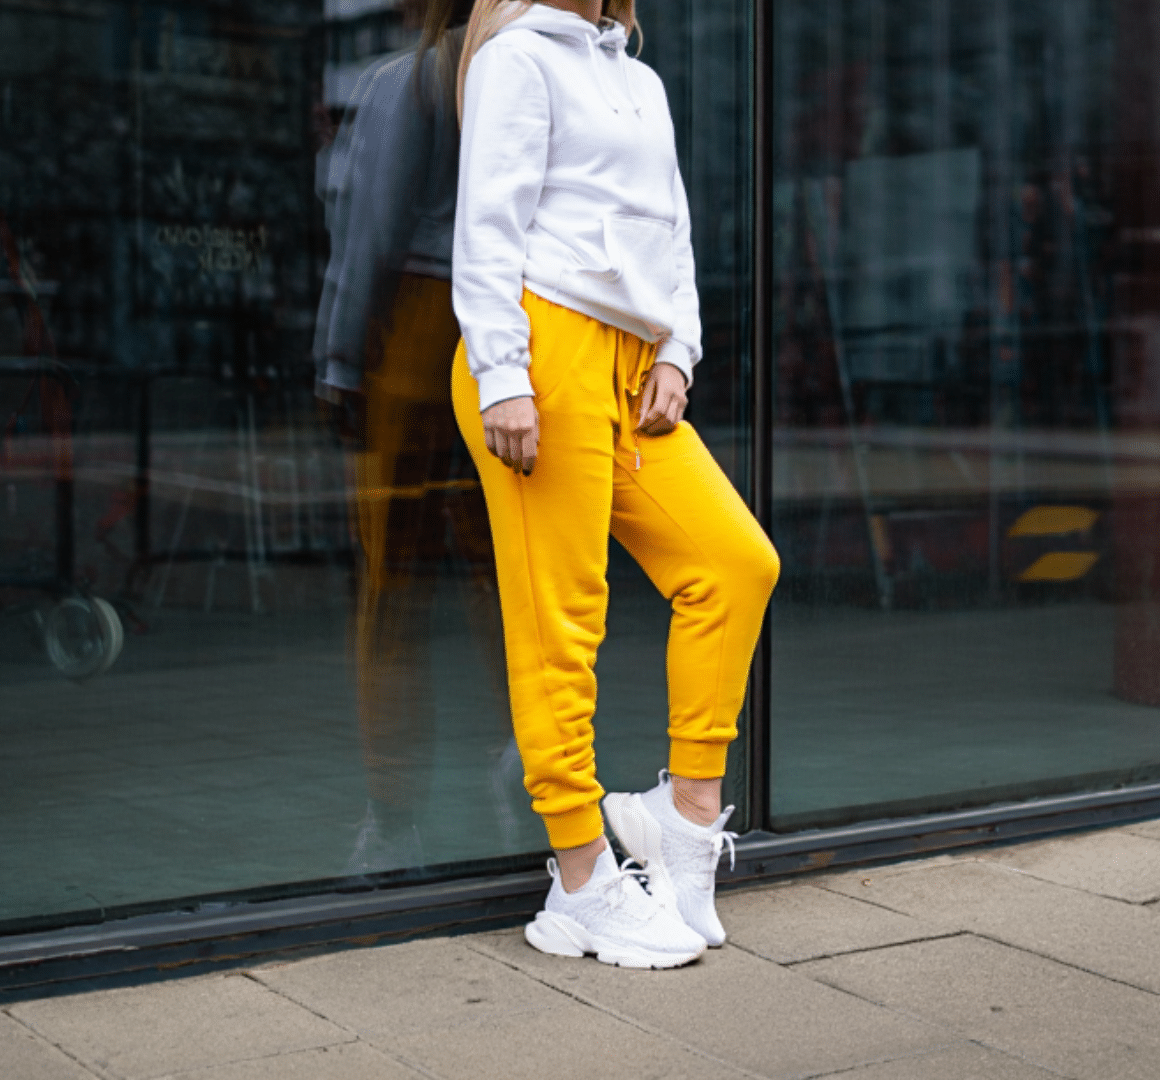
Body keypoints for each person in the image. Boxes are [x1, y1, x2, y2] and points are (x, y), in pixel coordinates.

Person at [450, 0, 780, 967]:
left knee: (733, 563)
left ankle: (680, 820)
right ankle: (581, 880)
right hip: (539, 353)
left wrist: (679, 350)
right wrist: (502, 375)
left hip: (632, 369)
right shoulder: (517, 60)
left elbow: (669, 233)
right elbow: (487, 226)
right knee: (565, 617)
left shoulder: (639, 78)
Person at [314, 0, 522, 874]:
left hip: (419, 326)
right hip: (508, 332)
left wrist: (336, 355)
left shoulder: (407, 82)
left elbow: (370, 231)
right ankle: (529, 766)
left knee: (393, 585)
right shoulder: (519, 76)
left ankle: (395, 814)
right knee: (504, 571)